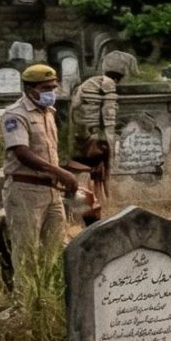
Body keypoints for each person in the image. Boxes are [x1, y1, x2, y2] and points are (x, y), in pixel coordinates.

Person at [0, 63, 77, 264]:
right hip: (25, 191)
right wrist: (61, 173)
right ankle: (24, 296)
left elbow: (49, 152)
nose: (51, 92)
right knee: (26, 252)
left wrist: (61, 176)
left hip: (51, 191)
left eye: (53, 87)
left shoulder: (49, 113)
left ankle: (50, 295)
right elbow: (22, 153)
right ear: (29, 89)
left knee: (56, 251)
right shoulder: (15, 114)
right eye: (45, 88)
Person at [69, 51, 126, 220]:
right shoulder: (108, 85)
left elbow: (75, 106)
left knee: (82, 176)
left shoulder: (87, 84)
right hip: (97, 140)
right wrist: (109, 149)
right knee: (98, 179)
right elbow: (108, 119)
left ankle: (80, 214)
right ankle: (94, 215)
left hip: (81, 136)